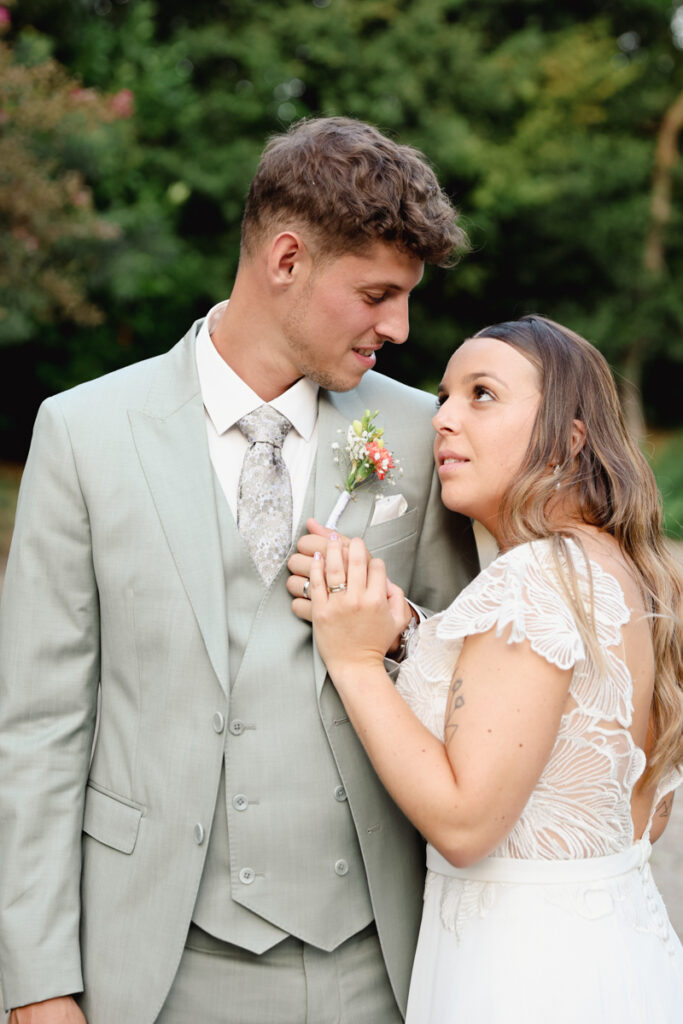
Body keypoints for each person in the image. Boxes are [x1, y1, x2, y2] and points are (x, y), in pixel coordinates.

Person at [0, 117, 480, 1024]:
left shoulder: (422, 433)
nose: (399, 327)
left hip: (379, 965)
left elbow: (475, 676)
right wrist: (38, 982)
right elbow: (38, 727)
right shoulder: (83, 432)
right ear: (286, 259)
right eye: (376, 294)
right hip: (152, 964)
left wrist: (400, 630)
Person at [306, 315, 683, 1022]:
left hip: (522, 976)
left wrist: (354, 660)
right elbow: (632, 814)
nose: (443, 418)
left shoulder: (535, 578)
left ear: (571, 438)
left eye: (481, 394)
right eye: (443, 396)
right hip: (615, 957)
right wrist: (408, 636)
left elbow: (464, 824)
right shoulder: (628, 573)